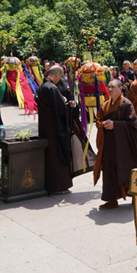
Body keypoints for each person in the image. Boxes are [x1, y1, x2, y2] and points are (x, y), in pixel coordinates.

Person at [93, 79, 137, 210]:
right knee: (109, 170)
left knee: (127, 168)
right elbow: (98, 120)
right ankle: (111, 199)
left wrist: (115, 125)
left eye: (113, 87)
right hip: (109, 144)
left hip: (123, 145)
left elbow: (133, 125)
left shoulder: (126, 104)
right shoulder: (105, 105)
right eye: (108, 87)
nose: (110, 89)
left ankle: (136, 196)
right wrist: (103, 124)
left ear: (120, 88)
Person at [37, 66, 75, 194]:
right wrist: (68, 105)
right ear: (57, 74)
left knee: (49, 155)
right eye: (61, 76)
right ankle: (59, 186)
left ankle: (50, 184)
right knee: (57, 155)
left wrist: (62, 102)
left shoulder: (43, 86)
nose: (61, 79)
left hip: (45, 127)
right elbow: (60, 110)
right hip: (55, 128)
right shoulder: (52, 88)